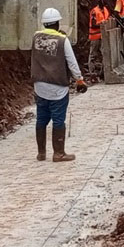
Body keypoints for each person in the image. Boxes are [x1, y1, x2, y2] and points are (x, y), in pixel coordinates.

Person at [31, 8, 87, 162]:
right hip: (57, 87)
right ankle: (59, 153)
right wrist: (79, 79)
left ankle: (41, 153)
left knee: (41, 119)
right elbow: (72, 62)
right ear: (57, 23)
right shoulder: (63, 40)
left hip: (39, 86)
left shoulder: (36, 37)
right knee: (58, 120)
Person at [87, 0, 112, 75]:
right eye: (105, 0)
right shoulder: (94, 11)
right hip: (95, 37)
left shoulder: (105, 10)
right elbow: (94, 24)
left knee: (104, 54)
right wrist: (103, 24)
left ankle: (102, 73)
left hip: (103, 36)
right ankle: (92, 73)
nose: (106, 1)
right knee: (93, 55)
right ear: (100, 0)